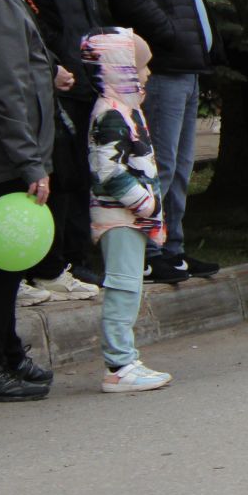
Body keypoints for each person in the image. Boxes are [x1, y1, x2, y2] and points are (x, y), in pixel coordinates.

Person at [99, 0, 221, 281]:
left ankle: (174, 248)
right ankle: (151, 253)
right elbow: (133, 0)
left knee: (181, 166)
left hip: (183, 68)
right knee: (161, 165)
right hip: (164, 69)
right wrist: (173, 36)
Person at [18, 0, 104, 301]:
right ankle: (49, 264)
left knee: (83, 174)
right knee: (60, 175)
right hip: (56, 80)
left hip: (90, 79)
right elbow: (30, 19)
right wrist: (51, 63)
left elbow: (90, 16)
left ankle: (79, 260)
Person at [80, 28, 172, 392]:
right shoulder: (111, 114)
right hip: (119, 217)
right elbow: (108, 169)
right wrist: (145, 204)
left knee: (129, 286)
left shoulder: (124, 110)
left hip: (130, 216)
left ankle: (124, 359)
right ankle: (119, 365)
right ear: (121, 70)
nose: (148, 74)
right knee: (123, 287)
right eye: (141, 67)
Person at [0, 0, 59, 401]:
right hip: (4, 161)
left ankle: (8, 353)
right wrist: (30, 161)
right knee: (0, 269)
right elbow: (5, 89)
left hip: (10, 155)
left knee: (5, 273)